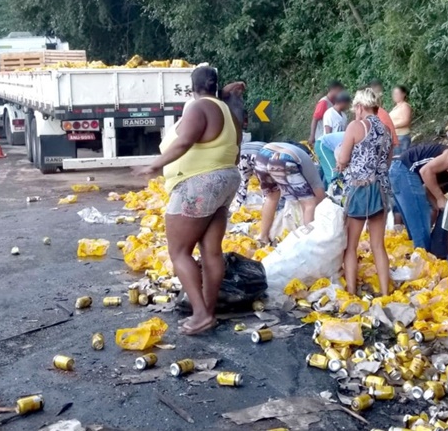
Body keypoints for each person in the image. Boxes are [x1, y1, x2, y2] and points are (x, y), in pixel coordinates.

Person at [134, 67, 241, 335]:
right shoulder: (227, 112)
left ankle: (201, 314)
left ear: (191, 87)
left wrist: (153, 166)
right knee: (211, 251)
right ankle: (208, 310)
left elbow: (184, 142)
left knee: (179, 252)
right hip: (225, 180)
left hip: (198, 184)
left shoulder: (198, 108)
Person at [337, 88, 393, 297]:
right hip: (380, 189)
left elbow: (343, 159)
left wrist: (342, 164)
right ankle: (385, 293)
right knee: (378, 245)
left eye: (355, 109)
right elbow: (387, 161)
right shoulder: (386, 130)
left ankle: (351, 291)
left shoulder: (356, 126)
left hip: (360, 189)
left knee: (351, 246)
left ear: (360, 107)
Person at [389, 144, 448, 250]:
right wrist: (440, 198)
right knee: (420, 222)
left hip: (397, 170)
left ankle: (419, 254)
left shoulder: (445, 170)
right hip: (404, 170)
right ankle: (424, 258)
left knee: (416, 224)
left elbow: (428, 187)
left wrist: (438, 207)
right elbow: (425, 172)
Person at [255, 142, 326, 243]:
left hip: (263, 155)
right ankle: (308, 242)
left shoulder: (304, 161)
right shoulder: (316, 180)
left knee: (271, 198)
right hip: (284, 159)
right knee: (310, 204)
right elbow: (319, 200)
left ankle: (263, 237)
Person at [308, 80, 344, 145]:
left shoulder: (334, 102)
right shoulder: (324, 103)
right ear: (333, 90)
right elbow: (315, 119)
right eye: (339, 91)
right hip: (322, 136)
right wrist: (312, 136)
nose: (340, 93)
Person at [236, 141, 267, 207]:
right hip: (259, 156)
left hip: (242, 154)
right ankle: (267, 206)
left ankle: (240, 205)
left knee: (243, 182)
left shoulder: (267, 145)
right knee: (265, 184)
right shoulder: (274, 153)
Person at [369, 79, 398, 147]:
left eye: (381, 92)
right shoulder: (374, 112)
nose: (381, 94)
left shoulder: (380, 112)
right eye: (378, 92)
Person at [390, 85, 412, 155]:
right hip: (395, 136)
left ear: (403, 94)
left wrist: (393, 126)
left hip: (402, 137)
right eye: (394, 94)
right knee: (396, 159)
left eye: (397, 93)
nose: (395, 95)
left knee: (402, 158)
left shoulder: (405, 106)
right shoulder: (395, 107)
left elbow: (406, 121)